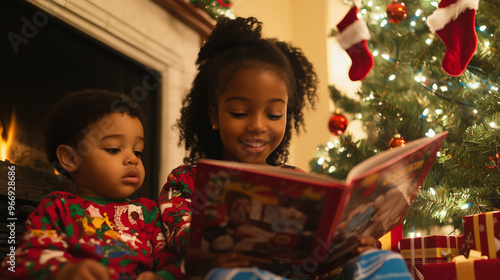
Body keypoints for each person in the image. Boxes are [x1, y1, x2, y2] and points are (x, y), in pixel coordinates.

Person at [159, 17, 410, 279]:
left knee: (381, 259)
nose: (257, 125)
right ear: (214, 116)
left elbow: (326, 255)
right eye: (239, 112)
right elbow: (181, 236)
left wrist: (356, 247)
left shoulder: (299, 182)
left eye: (274, 115)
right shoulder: (186, 181)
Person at [1, 89, 182, 280]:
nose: (132, 159)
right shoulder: (59, 209)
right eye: (113, 149)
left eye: (137, 151)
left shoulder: (149, 213)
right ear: (71, 158)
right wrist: (65, 272)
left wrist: (160, 276)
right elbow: (23, 260)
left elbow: (175, 261)